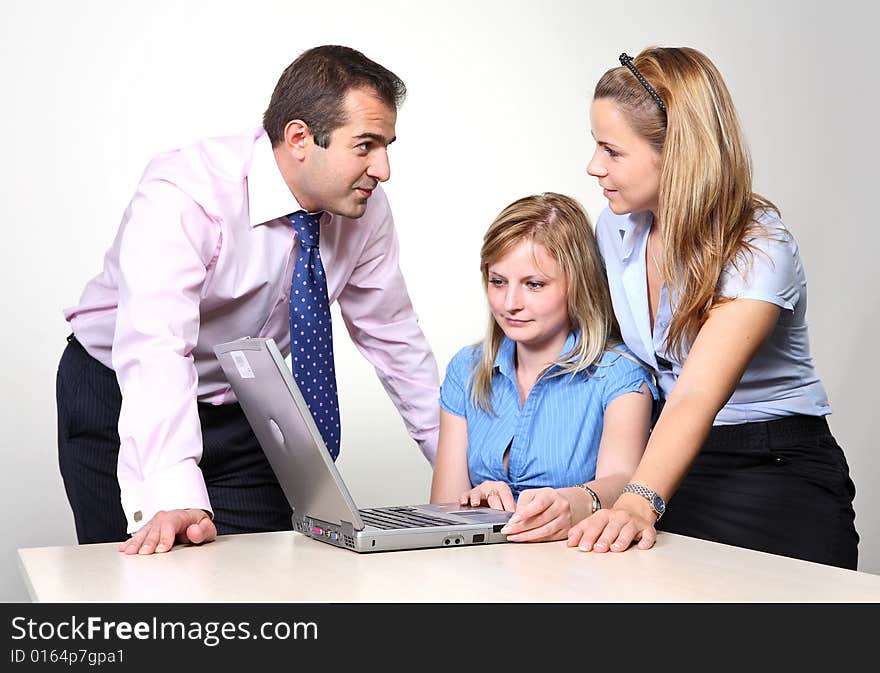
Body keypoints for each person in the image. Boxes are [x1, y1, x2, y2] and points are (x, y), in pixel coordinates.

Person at [57, 45, 440, 555]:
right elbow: (155, 345)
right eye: (366, 146)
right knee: (141, 579)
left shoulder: (365, 212)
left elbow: (395, 340)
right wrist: (172, 492)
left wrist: (463, 469)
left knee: (268, 573)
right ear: (300, 137)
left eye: (387, 146)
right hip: (120, 392)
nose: (384, 168)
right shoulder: (185, 192)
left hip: (243, 402)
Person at [568, 47, 859, 569]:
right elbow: (614, 362)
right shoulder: (615, 227)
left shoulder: (759, 248)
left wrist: (638, 501)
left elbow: (696, 393)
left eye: (611, 150)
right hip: (668, 468)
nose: (594, 166)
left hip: (771, 472)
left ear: (677, 151)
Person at [430, 193, 656, 542]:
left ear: (577, 283)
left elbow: (625, 482)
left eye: (534, 285)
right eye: (498, 281)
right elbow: (441, 513)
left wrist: (571, 501)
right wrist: (473, 505)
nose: (510, 304)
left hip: (580, 566)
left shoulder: (619, 373)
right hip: (481, 569)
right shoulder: (467, 369)